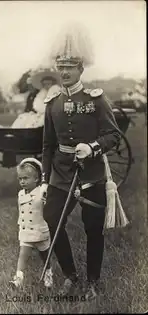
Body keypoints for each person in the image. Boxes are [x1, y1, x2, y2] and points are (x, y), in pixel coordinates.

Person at [40, 25, 121, 300]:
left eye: (70, 67)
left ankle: (94, 282)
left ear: (81, 70)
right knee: (52, 221)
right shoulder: (52, 104)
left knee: (92, 229)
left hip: (93, 174)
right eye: (61, 67)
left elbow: (113, 135)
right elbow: (48, 146)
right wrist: (44, 180)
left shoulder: (96, 100)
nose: (64, 72)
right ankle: (71, 277)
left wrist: (92, 147)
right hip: (61, 175)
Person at [10, 158, 53, 288]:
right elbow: (22, 212)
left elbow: (49, 208)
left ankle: (48, 272)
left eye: (26, 178)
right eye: (20, 179)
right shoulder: (20, 194)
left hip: (40, 229)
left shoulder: (42, 192)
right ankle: (18, 278)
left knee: (45, 255)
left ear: (36, 179)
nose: (22, 182)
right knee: (23, 254)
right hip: (26, 229)